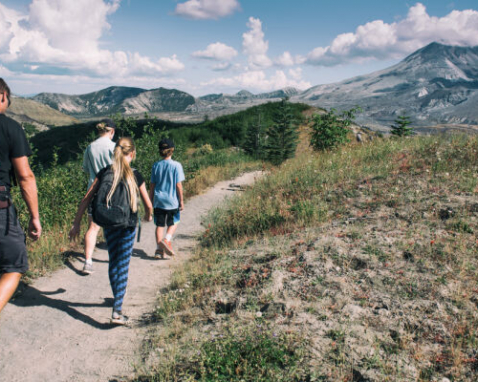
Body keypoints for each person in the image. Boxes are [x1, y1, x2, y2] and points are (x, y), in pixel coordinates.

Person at [69, 137, 152, 325]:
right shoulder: (135, 175)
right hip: (128, 225)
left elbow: (86, 199)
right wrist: (149, 214)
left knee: (113, 262)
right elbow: (148, 203)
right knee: (123, 265)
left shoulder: (105, 172)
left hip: (108, 224)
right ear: (132, 153)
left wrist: (76, 224)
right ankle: (117, 310)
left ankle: (116, 298)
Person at [0, 78, 42, 314]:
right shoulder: (11, 129)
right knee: (14, 264)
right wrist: (34, 217)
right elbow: (25, 177)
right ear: (2, 96)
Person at [81, 119, 116, 274]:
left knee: (93, 227)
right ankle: (115, 257)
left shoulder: (90, 147)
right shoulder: (114, 147)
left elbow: (86, 169)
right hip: (112, 189)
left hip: (94, 190)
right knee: (113, 226)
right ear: (112, 131)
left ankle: (88, 261)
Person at [149, 138, 184, 258]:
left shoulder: (156, 165)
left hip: (159, 201)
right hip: (172, 201)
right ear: (172, 150)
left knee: (159, 225)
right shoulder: (176, 166)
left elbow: (152, 186)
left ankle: (159, 250)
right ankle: (167, 239)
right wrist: (182, 201)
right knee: (174, 222)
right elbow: (178, 185)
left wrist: (150, 200)